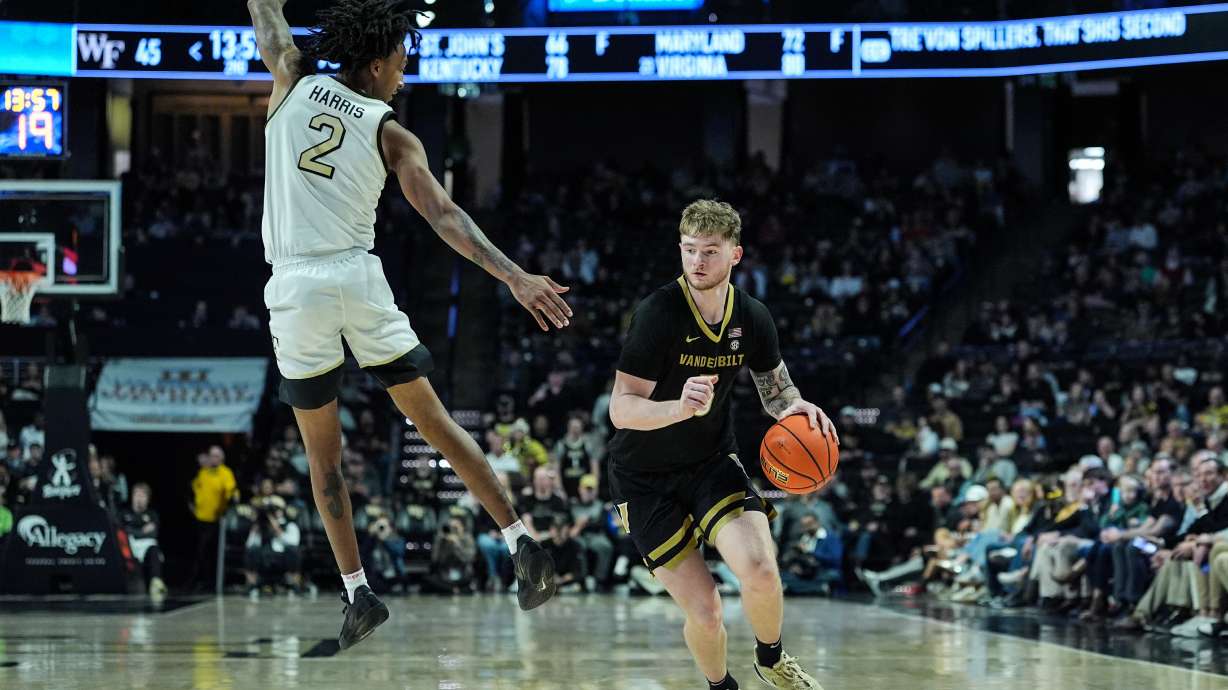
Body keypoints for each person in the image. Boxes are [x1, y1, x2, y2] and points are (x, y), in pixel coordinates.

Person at [248, 0, 568, 647]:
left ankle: (358, 592)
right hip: (357, 277)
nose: (404, 73)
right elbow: (445, 218)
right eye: (400, 60)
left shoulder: (289, 76)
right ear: (374, 64)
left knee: (324, 457)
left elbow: (265, 14)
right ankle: (522, 544)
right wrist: (514, 276)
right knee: (436, 425)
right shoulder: (391, 130)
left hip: (295, 286)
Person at [607, 200, 838, 690]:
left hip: (710, 461)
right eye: (689, 250)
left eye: (709, 251)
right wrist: (678, 408)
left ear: (736, 254)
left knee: (759, 568)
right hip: (643, 478)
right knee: (708, 611)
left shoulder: (753, 317)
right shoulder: (657, 314)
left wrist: (796, 409)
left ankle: (772, 659)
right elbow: (621, 409)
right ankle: (721, 687)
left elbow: (778, 392)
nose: (697, 262)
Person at [186, 447, 238, 592]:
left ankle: (204, 582)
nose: (212, 458)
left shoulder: (225, 473)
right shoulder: (203, 472)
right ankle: (200, 581)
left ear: (221, 458)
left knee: (206, 551)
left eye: (216, 456)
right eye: (211, 456)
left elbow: (230, 492)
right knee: (199, 551)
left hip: (215, 521)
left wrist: (230, 500)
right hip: (200, 518)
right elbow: (193, 489)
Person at [121, 483, 167, 601]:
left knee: (154, 550)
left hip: (147, 547)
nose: (139, 498)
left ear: (148, 498)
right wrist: (142, 530)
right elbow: (124, 531)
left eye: (142, 495)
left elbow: (153, 534)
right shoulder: (125, 513)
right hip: (130, 548)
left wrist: (134, 531)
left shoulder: (152, 514)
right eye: (137, 494)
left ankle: (156, 581)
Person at [554, 417, 601, 498]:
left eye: (578, 427)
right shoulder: (561, 445)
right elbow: (556, 469)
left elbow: (595, 467)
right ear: (568, 428)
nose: (575, 430)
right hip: (567, 485)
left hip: (585, 486)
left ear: (582, 428)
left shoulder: (588, 444)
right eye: (573, 427)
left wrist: (595, 486)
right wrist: (559, 489)